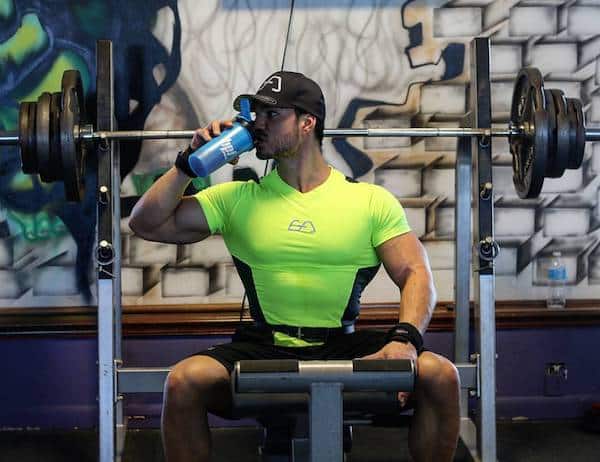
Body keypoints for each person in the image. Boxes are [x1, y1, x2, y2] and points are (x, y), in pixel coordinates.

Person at [129, 71, 460, 462]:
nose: (258, 124)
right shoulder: (236, 198)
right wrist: (188, 164)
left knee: (441, 375)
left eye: (273, 115)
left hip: (343, 346)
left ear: (307, 123)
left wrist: (403, 339)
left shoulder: (370, 201)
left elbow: (415, 273)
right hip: (264, 346)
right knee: (184, 382)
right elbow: (145, 223)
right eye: (256, 115)